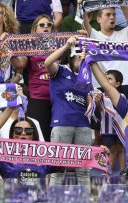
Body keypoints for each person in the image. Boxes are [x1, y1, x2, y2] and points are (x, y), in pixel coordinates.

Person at [44, 36, 91, 190]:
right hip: (62, 123)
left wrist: (95, 99)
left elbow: (89, 104)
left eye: (84, 60)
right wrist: (66, 46)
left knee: (84, 171)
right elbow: (47, 63)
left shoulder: (85, 77)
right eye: (79, 58)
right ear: (72, 57)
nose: (82, 61)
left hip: (83, 125)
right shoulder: (61, 71)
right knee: (58, 169)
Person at [11, 15, 56, 141]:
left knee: (57, 137)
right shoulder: (29, 46)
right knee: (41, 136)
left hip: (58, 98)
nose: (46, 27)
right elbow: (20, 64)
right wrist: (11, 52)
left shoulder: (61, 45)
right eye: (42, 25)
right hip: (38, 97)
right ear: (34, 29)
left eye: (49, 25)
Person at [96, 70, 126, 175]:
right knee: (110, 150)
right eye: (105, 78)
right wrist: (96, 102)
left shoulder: (122, 96)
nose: (106, 80)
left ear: (117, 84)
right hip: (106, 127)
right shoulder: (100, 96)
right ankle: (108, 171)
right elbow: (98, 111)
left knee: (120, 149)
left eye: (109, 79)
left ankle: (123, 171)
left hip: (120, 127)